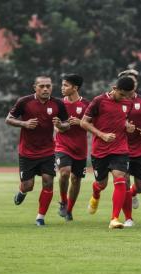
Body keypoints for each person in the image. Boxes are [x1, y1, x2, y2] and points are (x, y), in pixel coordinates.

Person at [6, 75, 69, 226]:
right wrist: (24, 124)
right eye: (42, 86)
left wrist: (60, 125)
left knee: (48, 182)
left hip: (48, 151)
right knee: (28, 185)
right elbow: (8, 119)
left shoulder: (58, 104)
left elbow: (67, 124)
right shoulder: (24, 102)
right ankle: (22, 191)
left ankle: (40, 217)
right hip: (27, 152)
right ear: (35, 87)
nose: (46, 89)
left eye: (48, 86)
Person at [81, 76, 134, 229]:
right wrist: (102, 134)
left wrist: (127, 126)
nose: (124, 98)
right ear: (115, 88)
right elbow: (84, 122)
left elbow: (122, 119)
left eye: (127, 95)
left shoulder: (127, 103)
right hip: (100, 150)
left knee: (120, 178)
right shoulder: (99, 101)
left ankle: (114, 218)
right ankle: (96, 194)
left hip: (120, 148)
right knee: (101, 184)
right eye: (122, 95)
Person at [118, 69, 141, 226]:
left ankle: (133, 194)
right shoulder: (115, 102)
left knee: (140, 187)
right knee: (123, 181)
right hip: (121, 148)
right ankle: (128, 218)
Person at [55, 73, 89, 221]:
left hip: (80, 148)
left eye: (66, 85)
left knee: (76, 180)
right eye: (62, 85)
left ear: (75, 88)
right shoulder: (58, 104)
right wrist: (64, 125)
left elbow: (92, 125)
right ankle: (63, 201)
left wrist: (80, 122)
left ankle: (69, 210)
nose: (62, 88)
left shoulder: (87, 105)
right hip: (62, 146)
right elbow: (56, 127)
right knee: (64, 173)